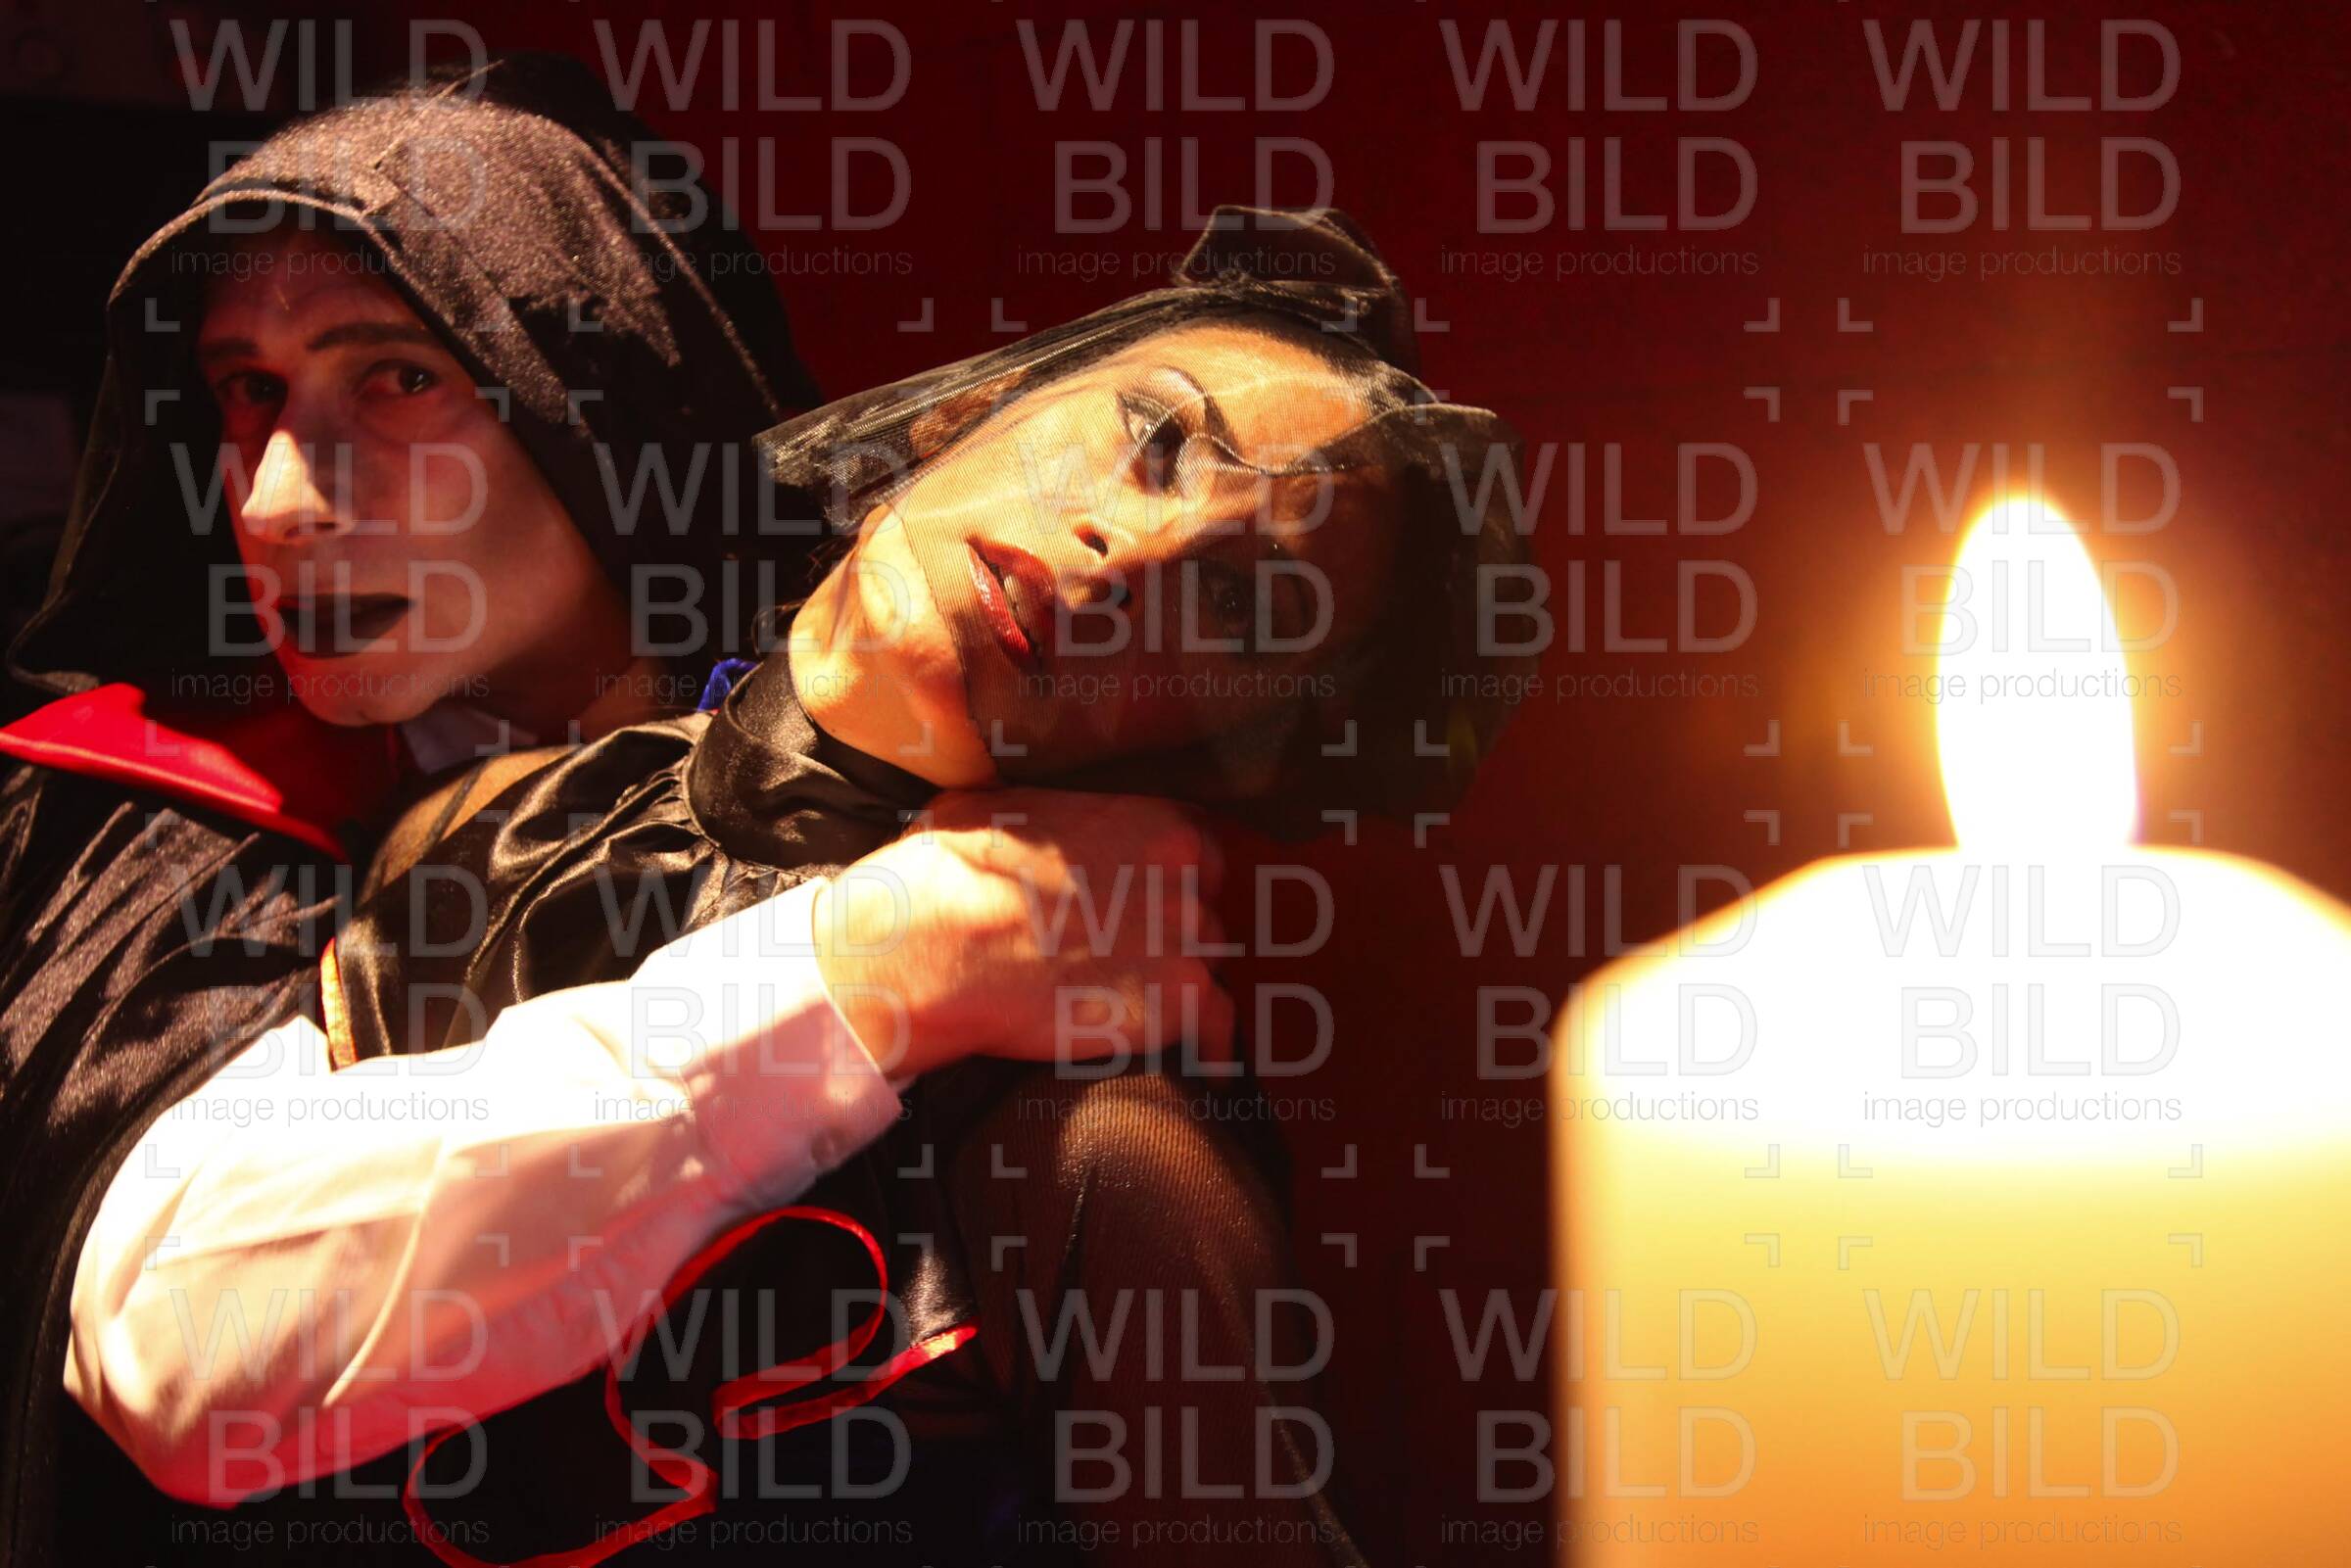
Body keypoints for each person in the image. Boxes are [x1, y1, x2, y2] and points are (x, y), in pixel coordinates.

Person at [4, 56, 1221, 1567]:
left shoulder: (891, 760)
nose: (274, 502)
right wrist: (866, 975)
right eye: (252, 391)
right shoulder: (158, 817)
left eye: (395, 376)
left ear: (596, 396)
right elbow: (181, 1344)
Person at [280, 206, 1538, 1564]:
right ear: (971, 409)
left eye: (1240, 605)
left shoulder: (1093, 1140)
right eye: (1153, 437)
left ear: (1230, 745)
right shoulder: (500, 815)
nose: (1130, 551)